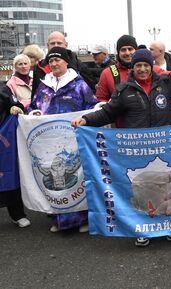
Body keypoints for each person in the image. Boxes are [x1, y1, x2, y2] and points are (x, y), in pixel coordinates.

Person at [71, 38, 171, 247]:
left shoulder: (164, 84)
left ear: (151, 66)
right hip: (138, 154)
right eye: (138, 65)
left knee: (166, 189)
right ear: (133, 67)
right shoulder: (124, 91)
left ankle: (169, 226)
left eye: (146, 65)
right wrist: (86, 120)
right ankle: (142, 228)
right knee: (144, 192)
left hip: (163, 151)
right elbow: (107, 113)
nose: (142, 69)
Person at [29, 47, 97, 233]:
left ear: (66, 62)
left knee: (76, 177)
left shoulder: (78, 84)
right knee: (53, 178)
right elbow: (34, 106)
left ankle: (82, 219)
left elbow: (91, 105)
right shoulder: (44, 85)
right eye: (51, 61)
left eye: (57, 60)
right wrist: (33, 113)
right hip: (50, 143)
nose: (53, 64)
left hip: (73, 141)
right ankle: (59, 219)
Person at [0, 83, 31, 228]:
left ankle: (17, 214)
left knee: (9, 174)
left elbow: (16, 104)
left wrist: (16, 107)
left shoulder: (2, 88)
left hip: (3, 140)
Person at [31, 31, 95, 95]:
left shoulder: (79, 66)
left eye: (59, 43)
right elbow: (35, 94)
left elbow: (90, 93)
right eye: (52, 43)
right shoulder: (39, 68)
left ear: (66, 45)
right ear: (48, 45)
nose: (56, 46)